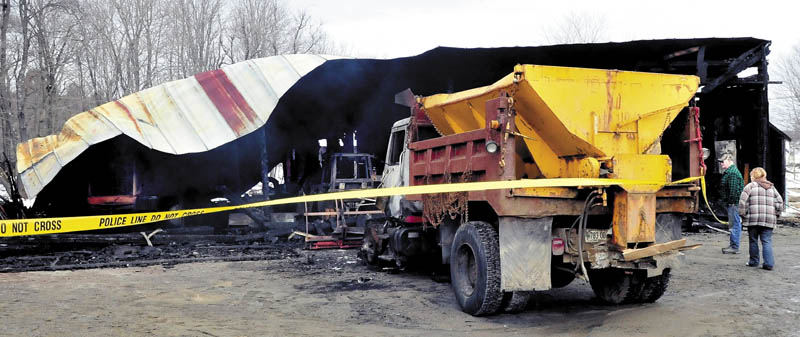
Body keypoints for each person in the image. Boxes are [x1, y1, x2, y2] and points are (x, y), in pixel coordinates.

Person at [738, 167, 784, 270]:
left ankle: (753, 262)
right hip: (769, 219)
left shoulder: (749, 187)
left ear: (753, 176)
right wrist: (776, 214)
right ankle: (769, 264)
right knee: (766, 240)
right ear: (764, 175)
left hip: (752, 219)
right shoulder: (772, 188)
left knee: (753, 240)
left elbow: (742, 202)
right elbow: (780, 202)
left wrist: (743, 214)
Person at [718, 153, 744, 254]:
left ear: (729, 161)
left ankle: (734, 247)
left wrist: (730, 202)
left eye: (722, 162)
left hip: (734, 203)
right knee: (734, 224)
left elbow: (733, 191)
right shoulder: (731, 172)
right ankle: (733, 245)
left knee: (734, 225)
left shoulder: (732, 173)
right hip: (734, 203)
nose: (721, 164)